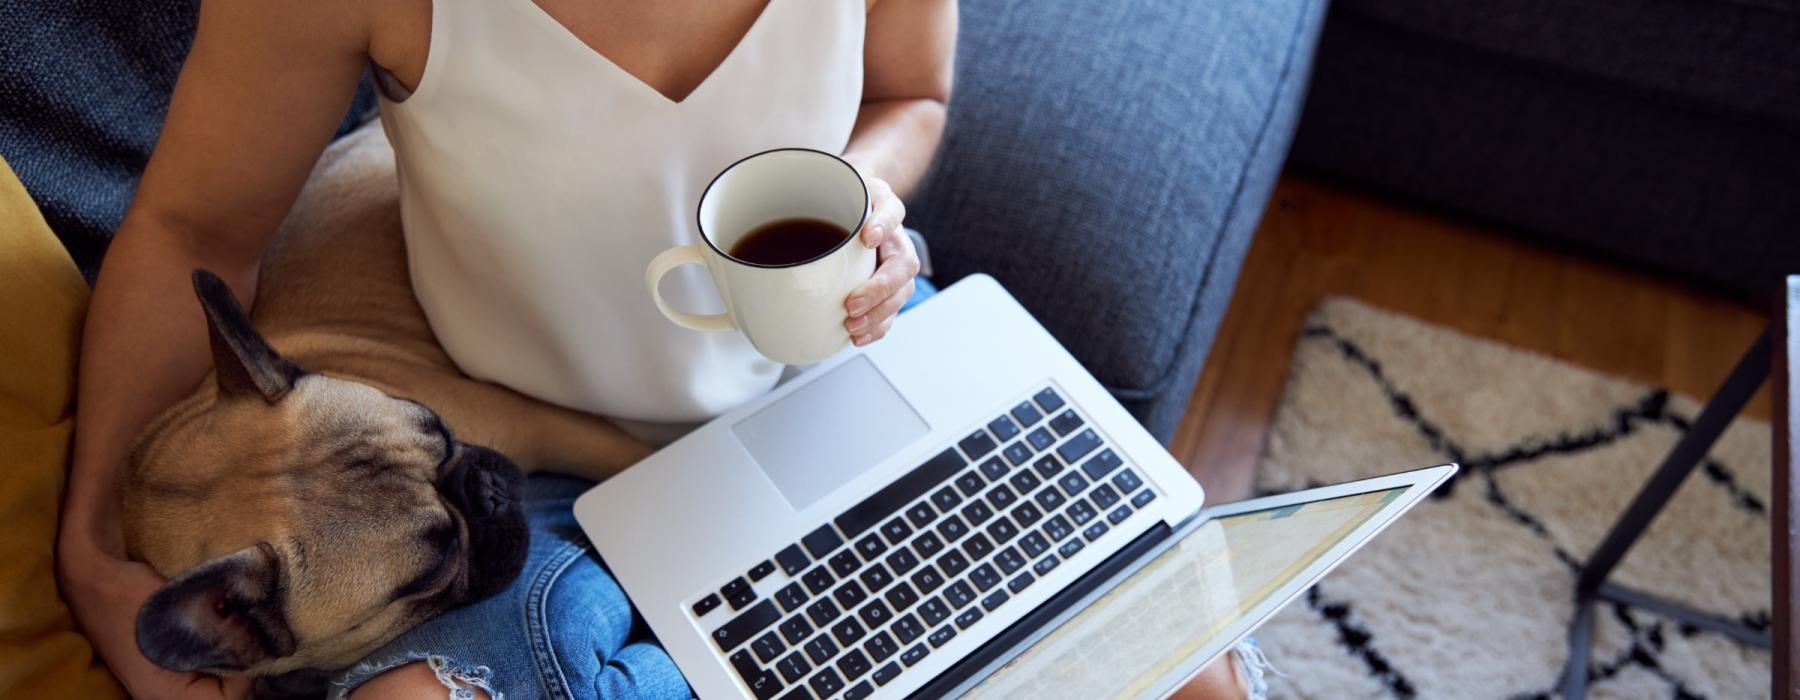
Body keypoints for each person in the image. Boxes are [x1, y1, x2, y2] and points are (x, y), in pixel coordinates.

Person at [54, 0, 1261, 697]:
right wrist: (91, 542)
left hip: (840, 365)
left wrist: (868, 201)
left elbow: (913, 96)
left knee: (1189, 657)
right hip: (520, 455)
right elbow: (191, 230)